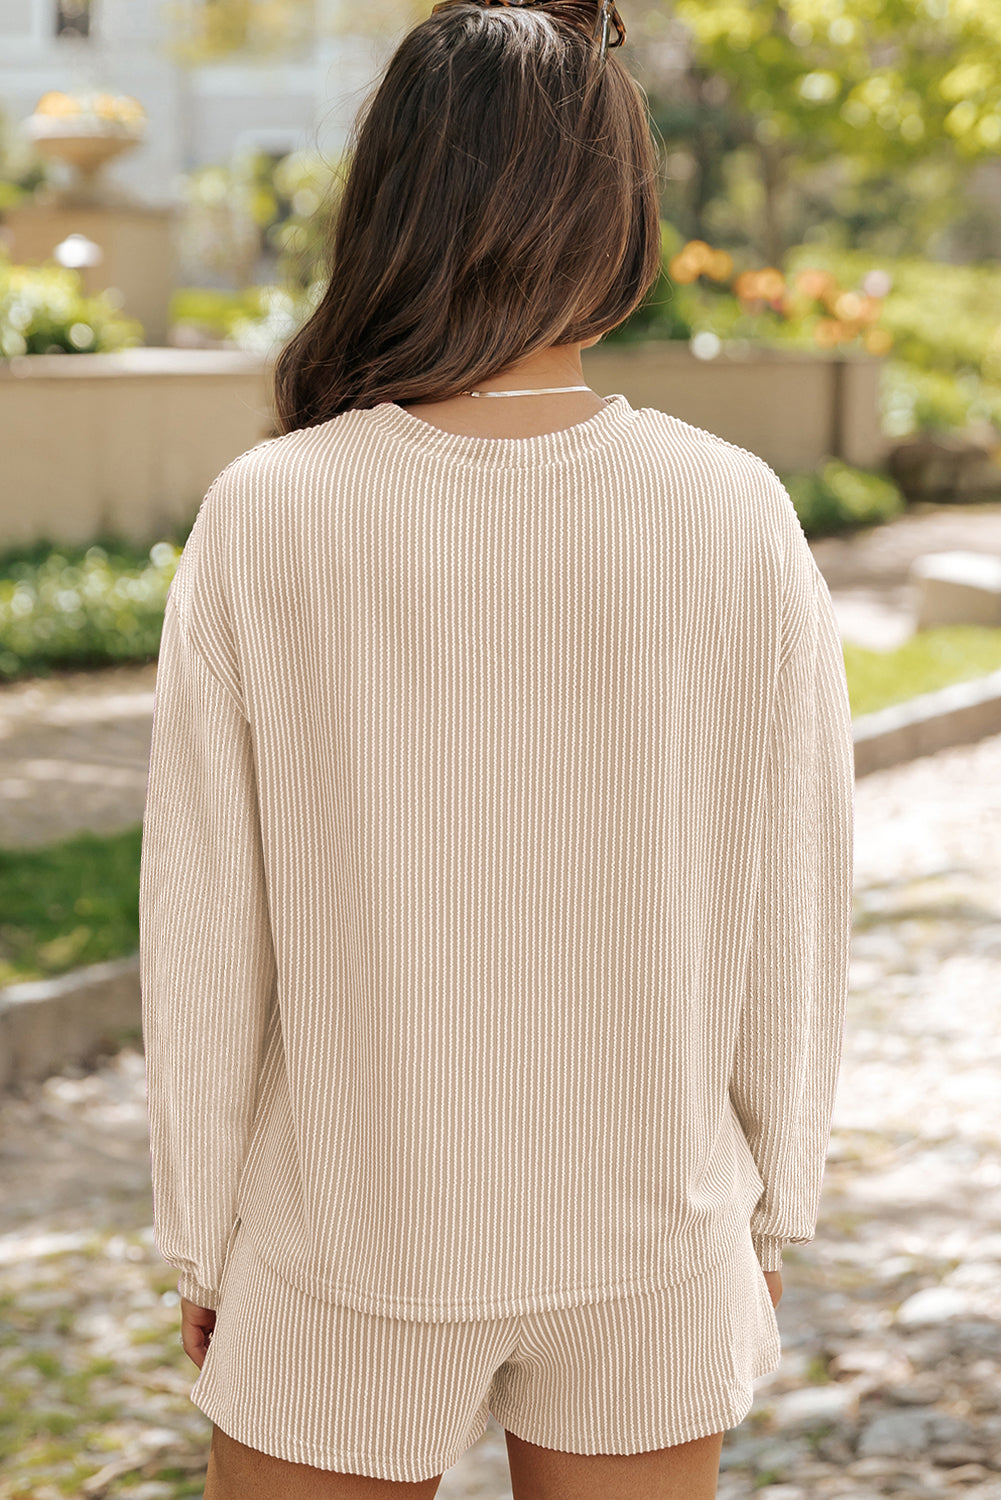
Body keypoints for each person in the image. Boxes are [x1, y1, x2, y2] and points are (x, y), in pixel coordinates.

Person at [138, 1, 855, 1496]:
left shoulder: (270, 514)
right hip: (649, 1241)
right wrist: (772, 1210)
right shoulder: (733, 514)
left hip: (347, 1238)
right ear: (616, 213)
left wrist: (200, 1233)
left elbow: (203, 931)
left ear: (389, 205)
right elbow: (796, 909)